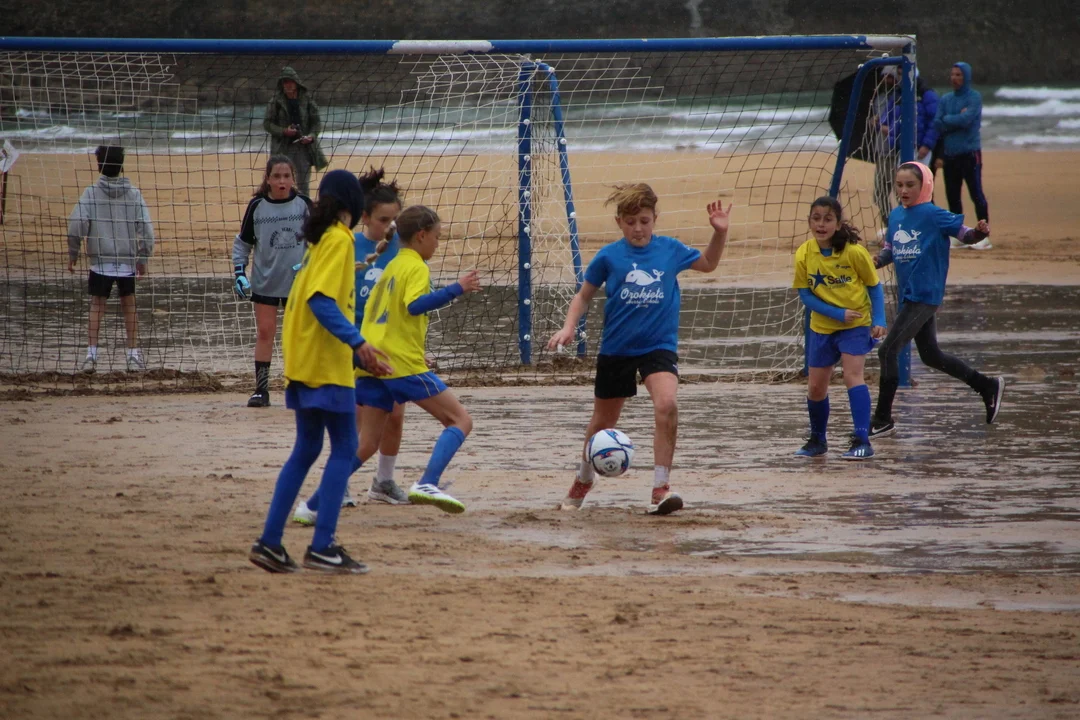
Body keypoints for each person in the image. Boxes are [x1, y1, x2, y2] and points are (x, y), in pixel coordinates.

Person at [548, 184, 731, 515]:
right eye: (631, 222)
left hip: (658, 347)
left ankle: (661, 489)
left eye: (644, 221)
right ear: (619, 222)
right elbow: (583, 296)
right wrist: (569, 327)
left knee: (667, 404)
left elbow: (708, 263)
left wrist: (719, 233)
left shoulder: (670, 250)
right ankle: (584, 479)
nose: (638, 229)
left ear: (654, 219)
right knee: (602, 422)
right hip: (617, 348)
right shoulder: (608, 256)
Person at [295, 204, 482, 523]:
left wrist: (367, 353)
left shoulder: (390, 265)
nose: (438, 243)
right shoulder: (416, 267)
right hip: (399, 363)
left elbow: (377, 315)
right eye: (437, 237)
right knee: (460, 420)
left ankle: (312, 506)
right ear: (421, 236)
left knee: (367, 443)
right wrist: (457, 289)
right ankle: (428, 482)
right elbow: (414, 306)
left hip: (373, 361)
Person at [248, 169, 392, 575]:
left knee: (308, 448)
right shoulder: (339, 240)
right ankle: (323, 546)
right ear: (354, 206)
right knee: (345, 448)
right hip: (324, 364)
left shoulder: (318, 240)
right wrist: (358, 344)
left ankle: (270, 543)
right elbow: (321, 301)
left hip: (301, 360)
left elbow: (313, 301)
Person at [292, 167, 409, 518]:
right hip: (353, 343)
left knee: (395, 416)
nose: (389, 226)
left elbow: (409, 301)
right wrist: (355, 341)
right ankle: (338, 484)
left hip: (388, 344)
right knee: (355, 422)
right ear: (365, 217)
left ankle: (383, 481)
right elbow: (324, 296)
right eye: (383, 219)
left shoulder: (402, 251)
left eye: (394, 220)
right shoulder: (347, 244)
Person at [870, 162, 1003, 439]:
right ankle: (987, 386)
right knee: (931, 355)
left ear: (925, 186)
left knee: (887, 351)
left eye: (910, 185)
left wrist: (979, 233)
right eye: (899, 185)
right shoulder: (896, 215)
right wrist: (876, 261)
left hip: (925, 295)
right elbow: (890, 249)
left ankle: (882, 419)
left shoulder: (933, 214)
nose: (903, 190)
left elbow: (965, 235)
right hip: (908, 295)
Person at [792, 197, 886, 460]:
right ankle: (817, 440)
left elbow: (874, 286)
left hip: (855, 324)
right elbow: (805, 295)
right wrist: (836, 313)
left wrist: (879, 320)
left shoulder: (854, 252)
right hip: (822, 327)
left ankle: (862, 441)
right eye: (816, 218)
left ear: (838, 223)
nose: (821, 224)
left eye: (828, 219)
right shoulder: (804, 253)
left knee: (852, 376)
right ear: (809, 222)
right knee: (815, 387)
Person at [232, 155, 312, 407]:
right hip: (265, 281)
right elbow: (243, 243)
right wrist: (239, 272)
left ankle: (298, 387)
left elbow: (321, 241)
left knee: (297, 335)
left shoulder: (304, 205)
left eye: (286, 176)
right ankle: (261, 390)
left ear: (293, 179)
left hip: (297, 283)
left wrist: (310, 264)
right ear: (267, 179)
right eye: (276, 176)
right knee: (265, 332)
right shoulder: (257, 206)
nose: (281, 181)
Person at [67, 145, 155, 373]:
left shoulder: (90, 193)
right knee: (129, 305)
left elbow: (76, 223)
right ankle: (133, 357)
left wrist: (73, 252)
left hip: (100, 260)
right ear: (121, 166)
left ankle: (91, 356)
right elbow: (146, 229)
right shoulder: (134, 194)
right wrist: (143, 258)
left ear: (99, 166)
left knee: (97, 305)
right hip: (126, 261)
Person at [933, 62, 992, 250]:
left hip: (970, 153)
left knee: (976, 193)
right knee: (953, 196)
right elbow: (938, 123)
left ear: (966, 76)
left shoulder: (974, 97)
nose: (954, 78)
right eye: (952, 74)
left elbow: (967, 121)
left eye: (958, 75)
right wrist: (954, 119)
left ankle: (983, 235)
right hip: (950, 154)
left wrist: (949, 119)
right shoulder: (946, 99)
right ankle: (958, 234)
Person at [873, 67, 939, 228]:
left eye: (903, 73)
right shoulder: (897, 95)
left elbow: (935, 121)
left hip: (921, 150)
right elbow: (890, 121)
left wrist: (927, 145)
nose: (899, 77)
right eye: (899, 73)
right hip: (901, 150)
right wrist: (884, 127)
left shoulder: (926, 94)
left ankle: (929, 226)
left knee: (922, 191)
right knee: (904, 191)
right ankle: (903, 226)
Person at [263, 67, 328, 196]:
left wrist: (311, 136)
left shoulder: (307, 100)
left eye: (290, 81)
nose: (288, 84)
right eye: (285, 82)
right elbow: (267, 124)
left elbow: (316, 123)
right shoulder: (276, 101)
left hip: (303, 147)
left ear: (296, 83)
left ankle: (305, 207)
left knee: (303, 185)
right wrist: (284, 131)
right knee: (279, 182)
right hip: (282, 148)